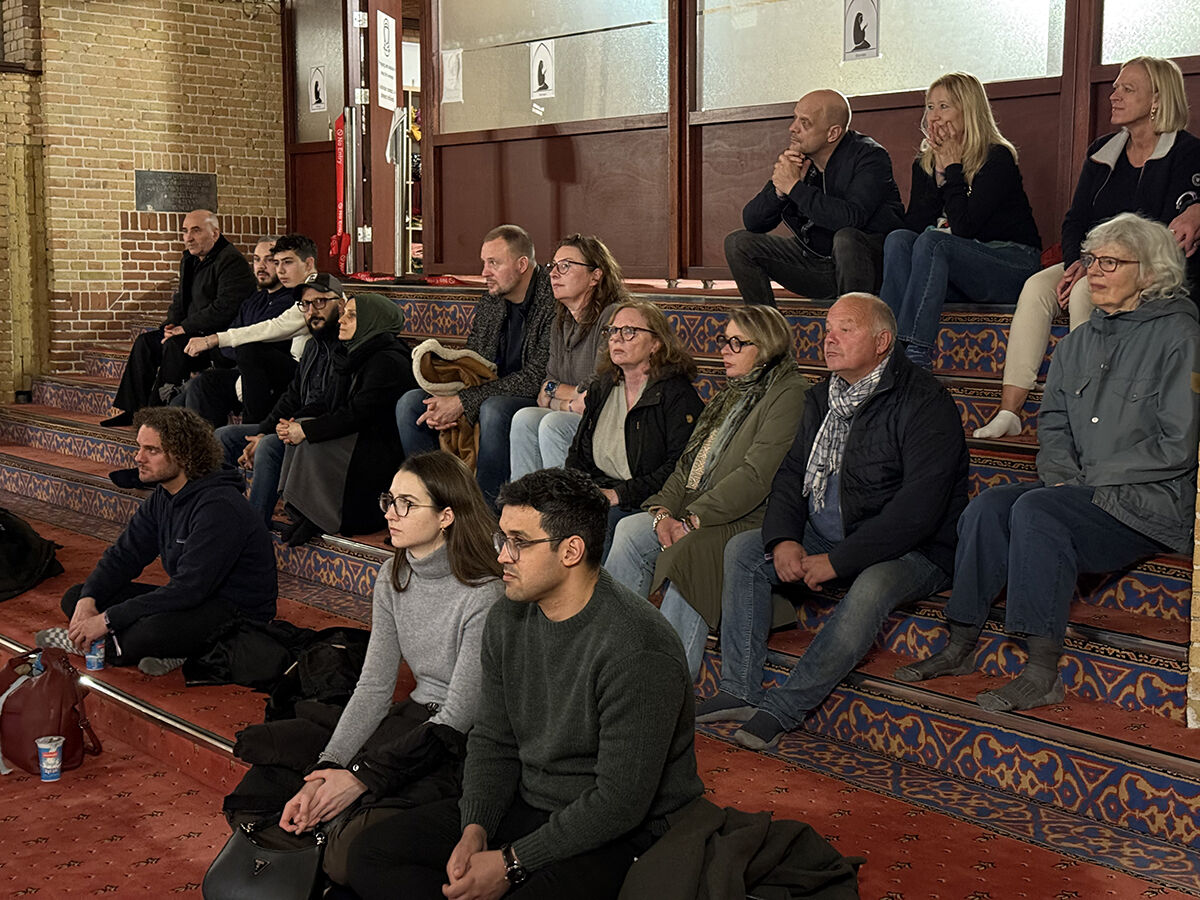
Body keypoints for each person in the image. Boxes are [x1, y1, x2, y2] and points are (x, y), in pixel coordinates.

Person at [344, 467, 704, 899]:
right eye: (503, 539)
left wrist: (512, 862)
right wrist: (475, 828)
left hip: (624, 833)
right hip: (531, 802)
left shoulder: (638, 647)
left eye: (519, 542)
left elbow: (619, 803)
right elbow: (493, 740)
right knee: (370, 854)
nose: (502, 556)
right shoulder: (508, 617)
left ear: (571, 550)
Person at [894, 214, 1200, 711]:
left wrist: (1083, 482)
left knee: (1037, 512)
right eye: (1092, 260)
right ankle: (960, 643)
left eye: (1110, 262)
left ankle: (1041, 669)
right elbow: (1053, 422)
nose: (1094, 272)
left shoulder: (1181, 336)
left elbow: (1178, 444)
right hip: (1080, 491)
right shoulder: (1081, 339)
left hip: (1146, 503)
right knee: (988, 507)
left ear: (1149, 273)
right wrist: (1062, 477)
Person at [695, 294, 968, 750]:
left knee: (872, 587)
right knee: (744, 551)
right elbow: (789, 474)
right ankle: (738, 689)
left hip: (914, 547)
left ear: (882, 342)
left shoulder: (924, 400)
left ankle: (783, 708)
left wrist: (839, 561)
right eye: (827, 329)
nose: (829, 339)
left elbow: (918, 510)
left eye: (846, 329)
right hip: (831, 531)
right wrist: (783, 539)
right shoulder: (821, 395)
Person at [278, 451, 504, 883]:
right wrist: (329, 767)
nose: (391, 513)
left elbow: (459, 714)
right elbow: (373, 688)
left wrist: (361, 776)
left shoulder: (483, 593)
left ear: (446, 516)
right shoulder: (391, 574)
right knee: (305, 795)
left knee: (349, 851)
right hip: (417, 718)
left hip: (462, 741)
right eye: (390, 500)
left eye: (407, 503)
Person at [975, 56, 1200, 438]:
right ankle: (1010, 410)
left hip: (1146, 269)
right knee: (1035, 288)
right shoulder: (1103, 150)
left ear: (1158, 99)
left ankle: (1091, 406)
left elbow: (1167, 235)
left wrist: (1100, 265)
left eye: (1128, 89)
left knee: (1084, 292)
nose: (1114, 95)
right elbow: (1075, 219)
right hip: (1094, 257)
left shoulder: (1186, 151)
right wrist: (1079, 258)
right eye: (1115, 86)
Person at [605, 305, 809, 678]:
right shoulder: (732, 391)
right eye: (723, 340)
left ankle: (667, 680)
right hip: (702, 509)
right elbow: (687, 464)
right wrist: (664, 512)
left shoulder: (789, 393)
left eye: (737, 342)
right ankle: (614, 658)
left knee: (692, 552)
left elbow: (756, 476)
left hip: (751, 516)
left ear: (764, 346)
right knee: (631, 531)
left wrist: (694, 519)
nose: (725, 350)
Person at [36, 407, 276, 676]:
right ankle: (156, 649)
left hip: (237, 613)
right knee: (77, 595)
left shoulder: (219, 507)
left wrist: (106, 620)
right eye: (139, 447)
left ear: (184, 456)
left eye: (152, 450)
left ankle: (95, 645)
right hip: (195, 601)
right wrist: (88, 601)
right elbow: (123, 556)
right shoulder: (164, 497)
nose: (138, 458)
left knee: (148, 631)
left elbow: (189, 589)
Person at [880, 72, 1042, 369]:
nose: (935, 117)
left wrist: (953, 170)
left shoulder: (996, 158)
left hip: (1009, 261)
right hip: (955, 265)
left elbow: (965, 228)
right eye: (930, 107)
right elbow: (914, 226)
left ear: (969, 111)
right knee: (898, 240)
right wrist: (937, 174)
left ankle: (915, 355)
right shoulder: (926, 162)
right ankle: (885, 345)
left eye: (945, 106)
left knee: (933, 242)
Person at [396, 225, 554, 506]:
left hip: (530, 397)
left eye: (493, 263)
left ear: (521, 264)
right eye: (484, 262)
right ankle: (432, 505)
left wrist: (463, 402)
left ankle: (482, 518)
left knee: (493, 409)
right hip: (484, 391)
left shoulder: (552, 301)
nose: (484, 272)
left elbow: (535, 376)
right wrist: (447, 400)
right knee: (411, 404)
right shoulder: (492, 300)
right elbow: (472, 361)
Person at [724, 89, 904, 306]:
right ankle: (766, 332)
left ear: (832, 133)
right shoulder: (800, 159)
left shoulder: (870, 157)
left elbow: (851, 219)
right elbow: (752, 221)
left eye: (805, 123)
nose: (793, 128)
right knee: (738, 243)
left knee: (846, 238)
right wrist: (780, 191)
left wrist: (794, 187)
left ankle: (852, 326)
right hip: (817, 265)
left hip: (865, 269)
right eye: (795, 118)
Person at [564, 301, 703, 559]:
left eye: (629, 331)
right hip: (604, 490)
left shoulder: (676, 394)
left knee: (603, 523)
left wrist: (619, 494)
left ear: (656, 343)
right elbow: (578, 453)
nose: (617, 339)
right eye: (612, 331)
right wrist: (576, 491)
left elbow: (679, 467)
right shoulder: (603, 386)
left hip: (648, 500)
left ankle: (602, 599)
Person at [278, 292, 416, 546]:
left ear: (372, 322)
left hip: (375, 450)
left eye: (352, 315)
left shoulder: (388, 360)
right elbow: (329, 402)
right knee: (304, 426)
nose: (342, 320)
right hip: (356, 436)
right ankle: (305, 510)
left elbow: (359, 414)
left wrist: (307, 430)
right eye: (344, 313)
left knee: (310, 438)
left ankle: (322, 516)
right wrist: (294, 421)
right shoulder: (352, 354)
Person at [101, 210, 255, 426]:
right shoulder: (190, 259)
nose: (188, 237)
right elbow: (181, 299)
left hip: (216, 338)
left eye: (196, 230)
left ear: (215, 233)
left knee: (174, 345)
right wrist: (170, 324)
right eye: (184, 231)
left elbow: (224, 308)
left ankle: (158, 415)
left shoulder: (231, 262)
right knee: (145, 343)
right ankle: (134, 410)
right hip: (189, 330)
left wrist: (184, 328)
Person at [215, 273, 344, 528]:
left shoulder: (346, 347)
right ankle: (224, 515)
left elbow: (329, 404)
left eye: (319, 302)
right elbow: (292, 396)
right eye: (305, 305)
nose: (311, 312)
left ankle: (253, 530)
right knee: (224, 436)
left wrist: (270, 434)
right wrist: (263, 429)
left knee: (269, 446)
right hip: (294, 424)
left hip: (322, 431)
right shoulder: (311, 347)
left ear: (340, 305)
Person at [509, 234, 630, 479]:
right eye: (553, 266)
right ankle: (525, 507)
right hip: (575, 414)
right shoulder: (561, 321)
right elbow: (545, 388)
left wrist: (559, 396)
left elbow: (594, 395)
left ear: (595, 276)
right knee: (524, 417)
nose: (553, 274)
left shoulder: (613, 318)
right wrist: (565, 400)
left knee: (553, 424)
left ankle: (562, 513)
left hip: (611, 422)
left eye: (565, 266)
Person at [181, 233, 321, 427]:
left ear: (308, 264)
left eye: (286, 262)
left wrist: (214, 339)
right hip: (285, 372)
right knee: (203, 384)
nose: (280, 270)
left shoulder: (320, 292)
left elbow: (277, 327)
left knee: (249, 348)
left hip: (309, 378)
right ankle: (201, 450)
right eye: (277, 263)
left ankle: (251, 430)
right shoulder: (292, 292)